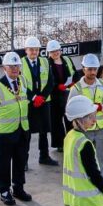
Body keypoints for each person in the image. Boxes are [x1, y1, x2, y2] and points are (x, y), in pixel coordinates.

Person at [0, 52, 32, 206]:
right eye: (11, 66)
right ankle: (4, 191)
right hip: (6, 131)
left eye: (17, 66)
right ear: (4, 68)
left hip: (22, 128)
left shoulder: (23, 81)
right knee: (4, 162)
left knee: (20, 159)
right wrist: (0, 123)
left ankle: (18, 188)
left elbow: (26, 101)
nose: (14, 69)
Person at [68, 54, 103, 178]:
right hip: (84, 131)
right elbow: (70, 111)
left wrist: (100, 107)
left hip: (100, 128)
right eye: (90, 69)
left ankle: (102, 180)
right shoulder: (77, 88)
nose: (93, 72)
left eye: (95, 69)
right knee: (85, 158)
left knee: (102, 158)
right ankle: (86, 180)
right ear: (83, 69)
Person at [21, 36, 59, 166]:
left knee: (44, 130)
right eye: (31, 50)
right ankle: (24, 161)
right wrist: (33, 97)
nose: (34, 52)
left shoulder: (44, 62)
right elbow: (21, 85)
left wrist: (42, 97)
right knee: (27, 132)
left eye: (36, 50)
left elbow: (50, 81)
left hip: (43, 101)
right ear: (26, 50)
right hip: (28, 102)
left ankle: (44, 156)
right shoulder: (20, 64)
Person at [46, 39, 76, 153]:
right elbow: (47, 79)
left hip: (68, 94)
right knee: (56, 121)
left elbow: (75, 73)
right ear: (49, 53)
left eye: (57, 50)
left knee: (70, 118)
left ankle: (71, 140)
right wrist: (57, 86)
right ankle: (60, 144)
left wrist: (74, 82)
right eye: (53, 51)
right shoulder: (47, 63)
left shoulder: (67, 60)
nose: (55, 53)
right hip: (54, 96)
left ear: (60, 50)